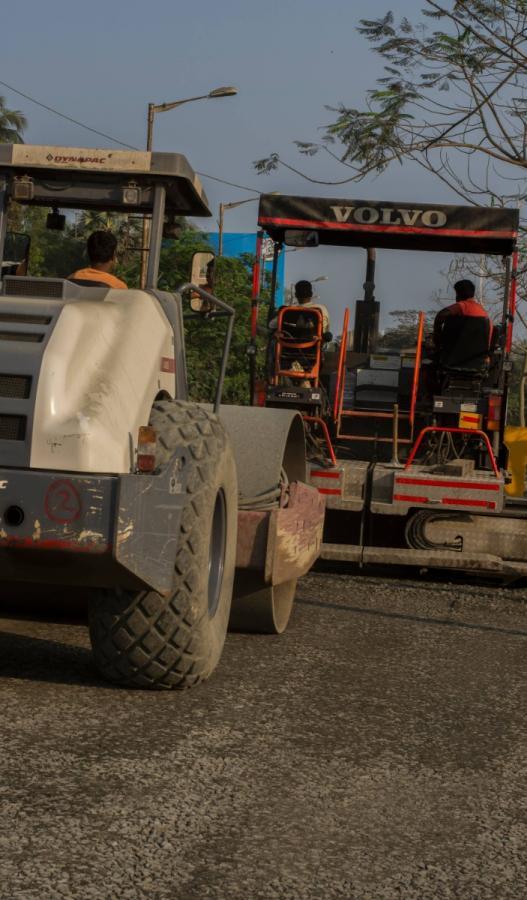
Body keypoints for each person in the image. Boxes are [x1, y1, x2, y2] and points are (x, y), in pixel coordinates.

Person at [433, 278, 491, 352]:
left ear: (458, 295)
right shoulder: (483, 312)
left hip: (456, 354)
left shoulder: (461, 305)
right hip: (478, 356)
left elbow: (440, 315)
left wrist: (437, 338)